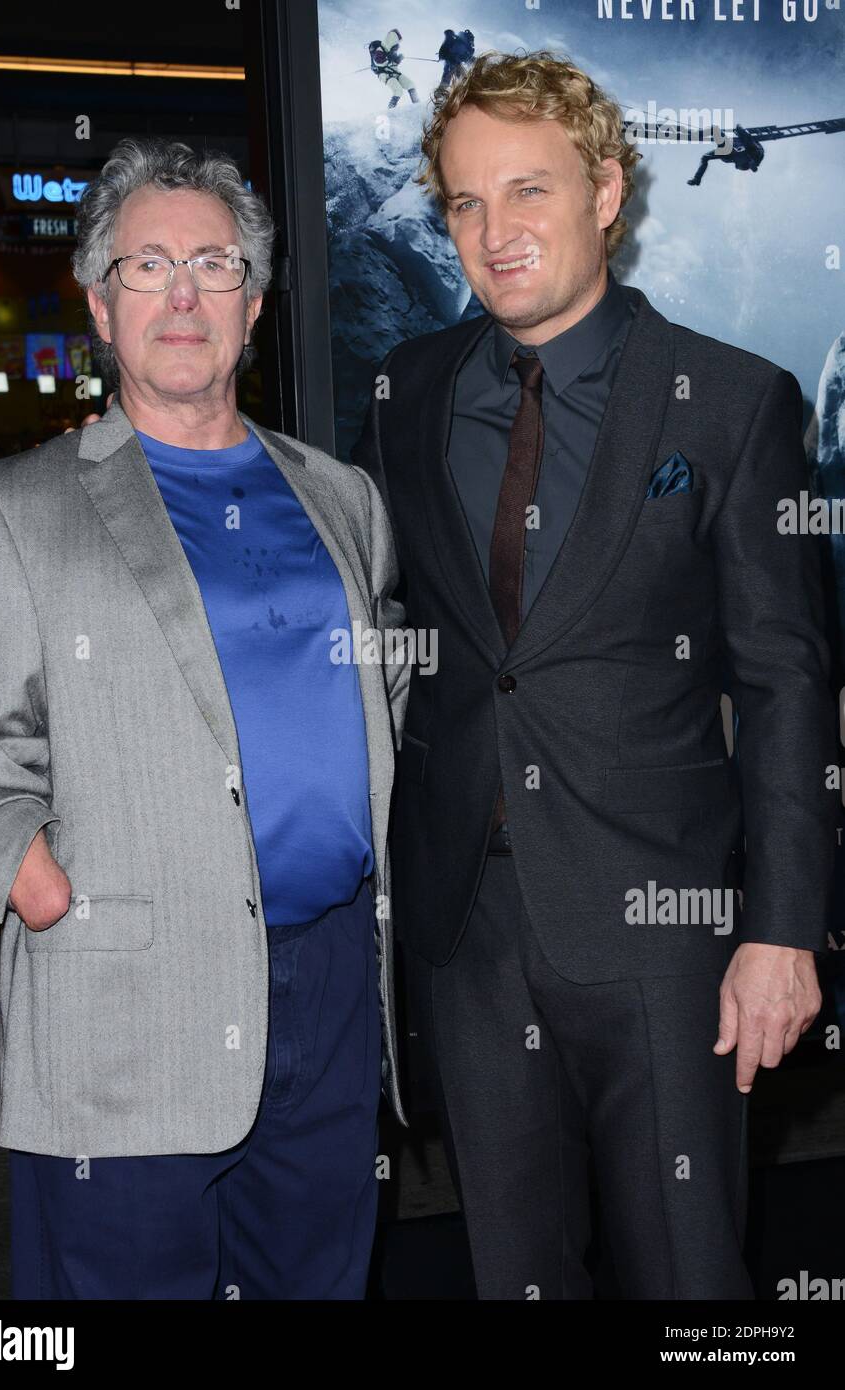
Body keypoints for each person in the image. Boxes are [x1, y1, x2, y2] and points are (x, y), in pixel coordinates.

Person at [351, 50, 838, 1299]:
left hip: (662, 934)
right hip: (469, 927)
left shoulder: (731, 402)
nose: (495, 231)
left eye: (529, 191)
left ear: (607, 191)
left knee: (691, 1278)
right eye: (464, 202)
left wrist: (782, 929)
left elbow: (786, 683)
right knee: (511, 1271)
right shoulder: (409, 393)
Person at [0, 137, 411, 1300]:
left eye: (214, 262)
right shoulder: (10, 506)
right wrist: (33, 878)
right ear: (99, 301)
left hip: (336, 981)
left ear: (254, 300)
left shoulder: (341, 496)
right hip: (124, 992)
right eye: (148, 266)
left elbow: (383, 681)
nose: (184, 294)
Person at [369, 29, 419, 109]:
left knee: (410, 84)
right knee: (398, 91)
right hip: (386, 75)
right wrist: (392, 59)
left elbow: (394, 63)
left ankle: (417, 104)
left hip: (395, 72)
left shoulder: (391, 49)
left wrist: (398, 59)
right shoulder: (379, 51)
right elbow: (380, 62)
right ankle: (390, 109)